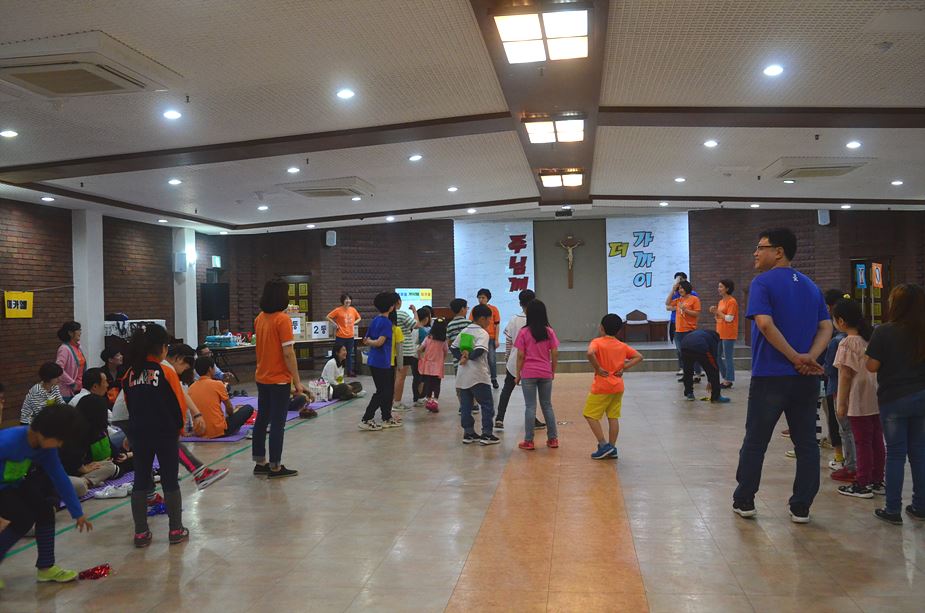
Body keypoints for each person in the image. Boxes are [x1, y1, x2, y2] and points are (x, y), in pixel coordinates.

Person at [733, 228, 832, 524]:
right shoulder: (811, 285)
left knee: (756, 441)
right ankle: (801, 507)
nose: (755, 253)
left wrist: (794, 357)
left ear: (778, 252)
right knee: (806, 443)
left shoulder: (762, 282)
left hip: (771, 375)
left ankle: (745, 500)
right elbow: (826, 327)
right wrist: (809, 357)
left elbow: (764, 324)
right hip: (806, 377)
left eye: (760, 247)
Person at [0, 404, 93, 587]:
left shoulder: (46, 449)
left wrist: (77, 512)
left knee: (45, 511)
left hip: (15, 483)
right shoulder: (8, 442)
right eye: (59, 440)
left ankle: (46, 567)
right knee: (23, 519)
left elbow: (59, 477)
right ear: (43, 432)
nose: (60, 445)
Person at [123, 324, 190, 547]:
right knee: (170, 481)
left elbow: (130, 405)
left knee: (140, 482)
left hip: (139, 434)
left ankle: (141, 533)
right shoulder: (166, 372)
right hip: (165, 433)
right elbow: (179, 404)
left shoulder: (129, 374)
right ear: (162, 347)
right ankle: (176, 530)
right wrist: (180, 429)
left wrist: (132, 431)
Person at [865, 283, 925, 525]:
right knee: (919, 452)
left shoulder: (884, 331)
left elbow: (872, 366)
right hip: (922, 396)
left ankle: (892, 509)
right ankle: (920, 506)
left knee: (896, 454)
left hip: (894, 399)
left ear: (896, 305)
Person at [831, 298, 884, 499]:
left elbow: (845, 376)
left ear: (841, 321)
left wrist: (841, 404)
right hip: (874, 396)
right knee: (876, 440)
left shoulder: (847, 343)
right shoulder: (868, 339)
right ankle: (877, 480)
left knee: (862, 442)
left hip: (858, 398)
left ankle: (862, 484)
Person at [252, 279, 304, 478]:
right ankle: (275, 466)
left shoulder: (259, 318)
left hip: (262, 377)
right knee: (277, 423)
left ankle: (260, 462)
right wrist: (297, 381)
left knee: (262, 420)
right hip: (279, 379)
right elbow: (288, 353)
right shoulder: (283, 320)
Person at [584, 314, 643, 459]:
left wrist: (598, 368)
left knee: (590, 415)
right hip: (617, 386)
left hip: (601, 386)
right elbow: (639, 357)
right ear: (618, 330)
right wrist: (624, 367)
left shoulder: (597, 342)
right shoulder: (621, 345)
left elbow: (590, 353)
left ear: (601, 328)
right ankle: (612, 447)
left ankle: (604, 445)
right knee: (613, 417)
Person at [62, 368, 119, 497]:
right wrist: (83, 468)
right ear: (95, 386)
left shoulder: (94, 409)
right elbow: (70, 458)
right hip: (71, 473)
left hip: (91, 460)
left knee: (110, 465)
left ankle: (89, 480)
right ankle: (86, 481)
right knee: (82, 485)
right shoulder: (78, 431)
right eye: (105, 382)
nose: (107, 385)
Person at [495, 289, 545, 431]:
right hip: (532, 362)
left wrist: (507, 358)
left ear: (520, 303)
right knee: (530, 394)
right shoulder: (538, 321)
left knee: (507, 389)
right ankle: (532, 420)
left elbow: (509, 341)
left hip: (514, 361)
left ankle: (499, 418)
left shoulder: (514, 319)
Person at [514, 300, 560, 451]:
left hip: (528, 373)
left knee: (530, 406)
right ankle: (553, 439)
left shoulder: (523, 332)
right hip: (545, 372)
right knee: (547, 405)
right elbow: (555, 353)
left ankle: (529, 441)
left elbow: (520, 355)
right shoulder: (549, 331)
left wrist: (518, 374)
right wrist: (552, 370)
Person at [451, 304, 499, 445]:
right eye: (489, 319)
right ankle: (487, 434)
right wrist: (468, 357)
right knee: (487, 404)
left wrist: (462, 357)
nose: (490, 322)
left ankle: (469, 433)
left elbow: (453, 347)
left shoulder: (465, 330)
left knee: (466, 406)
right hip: (478, 375)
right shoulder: (482, 333)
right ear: (482, 318)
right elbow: (479, 350)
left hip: (463, 376)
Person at [822, 290, 856, 483]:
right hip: (860, 392)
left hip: (838, 391)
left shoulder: (837, 342)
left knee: (844, 429)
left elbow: (831, 369)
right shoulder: (865, 338)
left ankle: (848, 465)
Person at [359, 292, 401, 431]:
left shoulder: (375, 320)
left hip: (376, 361)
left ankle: (386, 417)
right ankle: (366, 418)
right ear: (391, 307)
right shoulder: (386, 323)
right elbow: (379, 342)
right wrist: (373, 342)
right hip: (381, 362)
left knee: (386, 391)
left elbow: (366, 340)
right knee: (382, 392)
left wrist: (370, 342)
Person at [190, 357, 254, 438]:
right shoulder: (217, 384)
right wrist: (233, 414)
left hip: (199, 431)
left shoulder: (191, 388)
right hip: (218, 430)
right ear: (210, 369)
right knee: (248, 408)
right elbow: (229, 408)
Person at [679, 329, 731, 403]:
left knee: (688, 371)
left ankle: (689, 393)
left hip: (684, 346)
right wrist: (710, 381)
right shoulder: (713, 339)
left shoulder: (702, 333)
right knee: (714, 369)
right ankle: (716, 397)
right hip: (699, 346)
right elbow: (713, 358)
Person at [666, 280, 702, 381]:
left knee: (692, 352)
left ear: (687, 288)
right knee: (682, 354)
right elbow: (667, 303)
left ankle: (697, 374)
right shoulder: (679, 300)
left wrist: (685, 309)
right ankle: (687, 375)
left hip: (689, 330)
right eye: (679, 288)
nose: (680, 290)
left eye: (682, 288)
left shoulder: (694, 299)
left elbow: (696, 313)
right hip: (678, 331)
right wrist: (672, 290)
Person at [709, 279, 739, 388]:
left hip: (729, 333)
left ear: (727, 288)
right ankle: (726, 376)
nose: (719, 289)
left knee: (728, 357)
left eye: (721, 287)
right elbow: (719, 317)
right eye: (719, 286)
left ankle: (728, 380)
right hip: (720, 332)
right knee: (717, 356)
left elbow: (729, 318)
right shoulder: (721, 302)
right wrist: (715, 312)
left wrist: (718, 312)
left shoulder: (732, 301)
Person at [393, 301, 422, 411]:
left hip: (393, 350)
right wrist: (414, 312)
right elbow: (417, 325)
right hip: (404, 349)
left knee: (394, 377)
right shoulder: (401, 314)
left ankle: (393, 401)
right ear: (398, 302)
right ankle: (397, 403)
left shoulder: (388, 315)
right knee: (400, 377)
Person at [470, 289, 502, 388]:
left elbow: (497, 325)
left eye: (483, 297)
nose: (481, 299)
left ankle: (493, 378)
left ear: (488, 298)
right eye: (479, 297)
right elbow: (471, 323)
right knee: (478, 359)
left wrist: (496, 339)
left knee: (491, 359)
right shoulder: (475, 309)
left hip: (490, 338)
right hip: (478, 337)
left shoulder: (494, 309)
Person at [327, 294, 362, 377]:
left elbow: (359, 318)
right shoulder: (338, 310)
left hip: (350, 336)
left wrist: (354, 323)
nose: (348, 301)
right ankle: (336, 371)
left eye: (349, 299)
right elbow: (328, 317)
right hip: (340, 336)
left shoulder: (353, 310)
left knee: (349, 354)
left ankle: (349, 371)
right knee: (338, 354)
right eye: (346, 299)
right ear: (343, 301)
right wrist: (335, 324)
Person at [418, 318, 449, 412]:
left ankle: (428, 400)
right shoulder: (443, 341)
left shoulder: (428, 338)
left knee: (428, 383)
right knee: (437, 384)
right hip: (438, 365)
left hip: (428, 364)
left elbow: (420, 349)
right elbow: (446, 351)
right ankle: (435, 401)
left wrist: (421, 357)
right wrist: (442, 358)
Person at [55, 321, 86, 402]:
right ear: (70, 333)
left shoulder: (78, 347)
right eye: (78, 330)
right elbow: (58, 369)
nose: (80, 332)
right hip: (67, 392)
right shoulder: (64, 349)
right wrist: (72, 383)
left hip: (80, 389)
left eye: (80, 330)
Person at [410, 306, 432, 406]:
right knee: (423, 379)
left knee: (416, 378)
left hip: (413, 355)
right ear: (426, 318)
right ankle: (421, 397)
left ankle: (416, 397)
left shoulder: (413, 329)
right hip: (421, 357)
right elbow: (424, 345)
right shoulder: (422, 330)